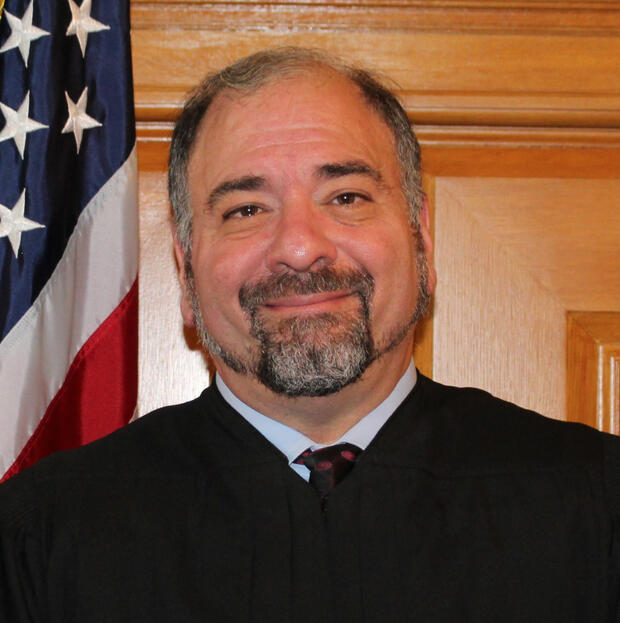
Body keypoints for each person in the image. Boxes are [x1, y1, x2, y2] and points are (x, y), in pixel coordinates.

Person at [1, 47, 619, 622]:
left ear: (422, 241)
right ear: (186, 274)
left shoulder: (598, 505)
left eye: (346, 196)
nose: (299, 247)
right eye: (246, 210)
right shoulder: (40, 541)